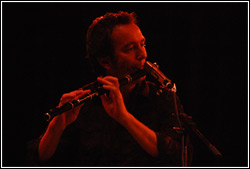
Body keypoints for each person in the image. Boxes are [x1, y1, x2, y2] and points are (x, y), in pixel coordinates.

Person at [26, 11, 193, 166]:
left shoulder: (163, 97)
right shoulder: (84, 104)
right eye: (130, 48)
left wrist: (124, 117)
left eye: (142, 44)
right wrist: (56, 126)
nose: (142, 54)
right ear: (105, 61)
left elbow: (178, 156)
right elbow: (37, 160)